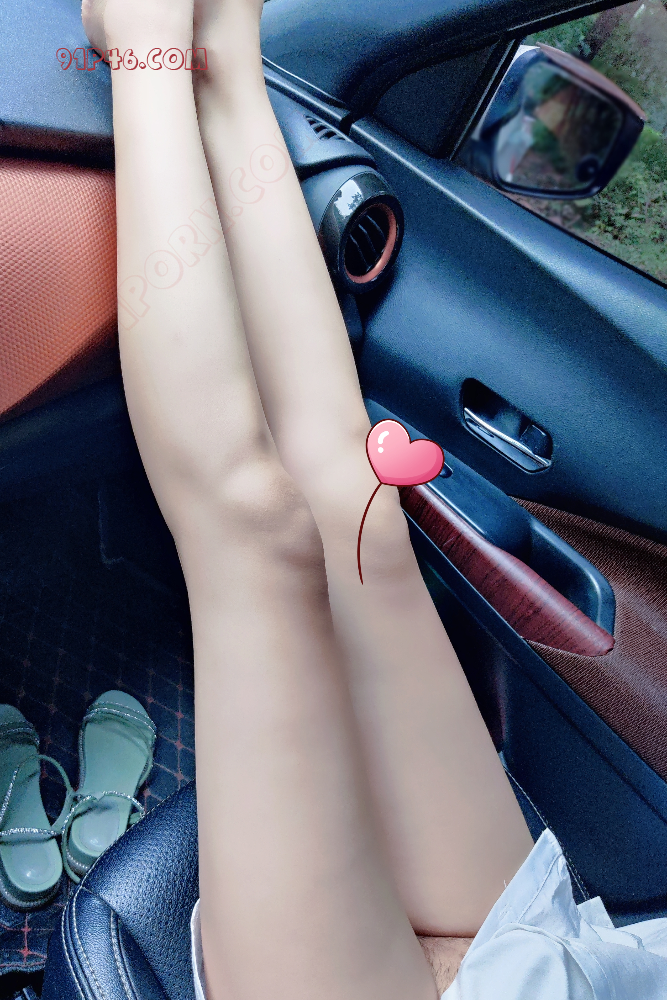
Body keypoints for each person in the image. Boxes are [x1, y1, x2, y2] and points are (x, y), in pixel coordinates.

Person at [80, 0, 667, 997]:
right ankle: (209, 56)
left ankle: (154, 51)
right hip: (551, 963)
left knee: (261, 535)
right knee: (350, 494)